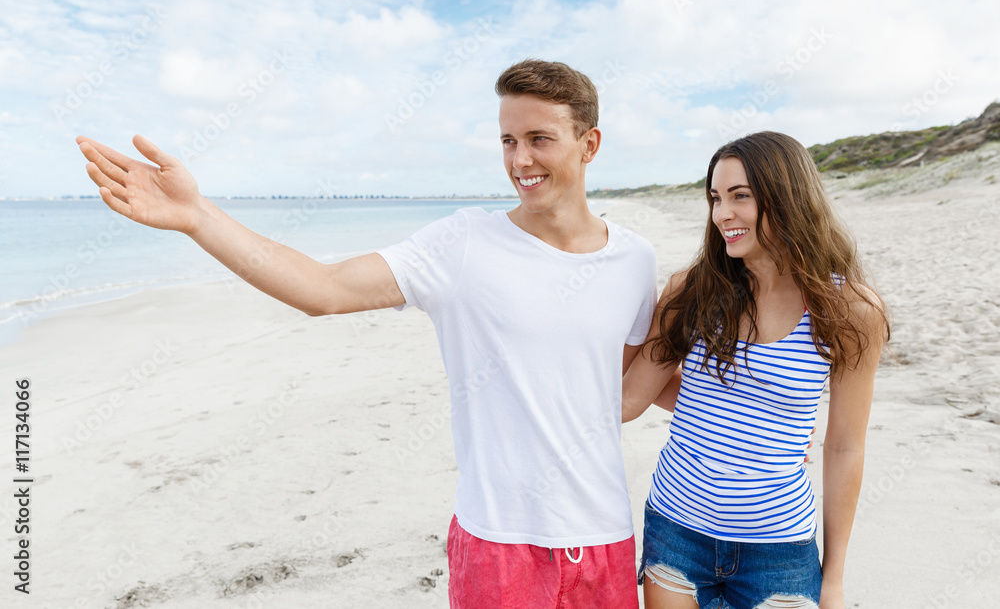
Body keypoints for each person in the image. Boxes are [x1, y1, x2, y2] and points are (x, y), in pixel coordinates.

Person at [78, 59, 657, 608]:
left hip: (604, 537)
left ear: (590, 144)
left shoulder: (634, 259)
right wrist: (199, 217)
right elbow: (322, 288)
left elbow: (615, 395)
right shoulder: (462, 245)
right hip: (498, 541)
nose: (519, 159)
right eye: (507, 140)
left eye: (539, 138)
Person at [621, 131, 889, 609]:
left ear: (787, 196)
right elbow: (630, 398)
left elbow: (846, 446)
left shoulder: (849, 310)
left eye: (740, 196)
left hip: (779, 547)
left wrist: (834, 580)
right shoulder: (692, 290)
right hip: (676, 529)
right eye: (716, 198)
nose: (723, 213)